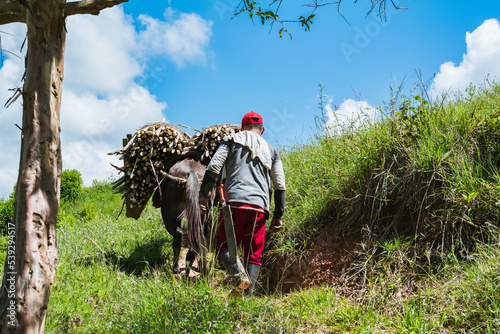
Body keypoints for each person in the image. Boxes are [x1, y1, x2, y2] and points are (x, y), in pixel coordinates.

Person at [199, 111, 286, 296]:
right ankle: (246, 297)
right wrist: (278, 216)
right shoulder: (272, 150)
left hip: (234, 204)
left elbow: (214, 167)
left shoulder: (231, 139)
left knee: (224, 247)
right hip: (260, 208)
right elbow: (279, 184)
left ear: (241, 128)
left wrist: (204, 195)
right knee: (253, 254)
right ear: (262, 130)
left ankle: (239, 278)